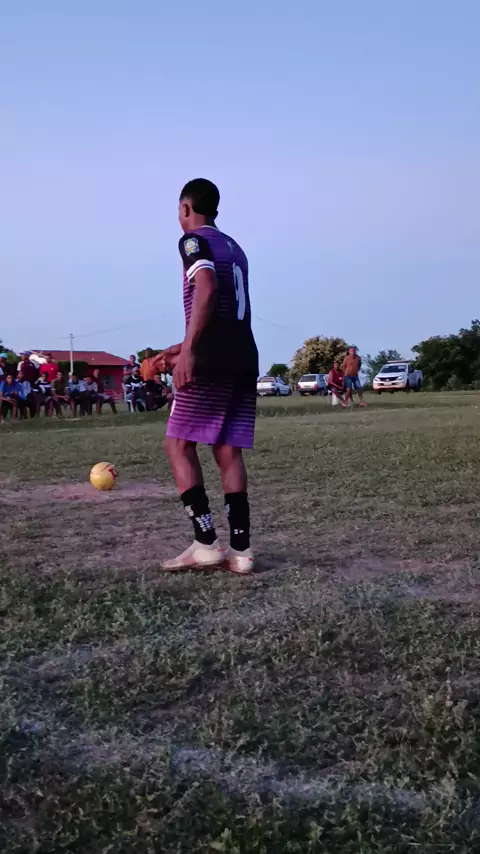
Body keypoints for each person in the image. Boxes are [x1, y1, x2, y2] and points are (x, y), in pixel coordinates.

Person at [158, 178, 258, 574]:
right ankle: (241, 551)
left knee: (178, 445)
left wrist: (191, 351)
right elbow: (226, 313)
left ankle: (205, 543)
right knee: (227, 450)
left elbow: (207, 286)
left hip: (211, 361)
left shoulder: (192, 241)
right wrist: (181, 345)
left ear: (185, 208)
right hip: (243, 356)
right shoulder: (234, 247)